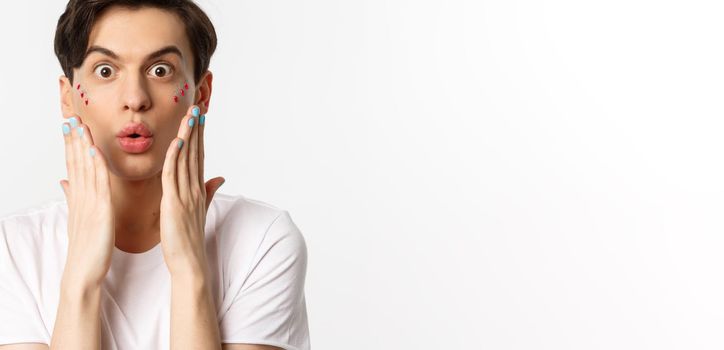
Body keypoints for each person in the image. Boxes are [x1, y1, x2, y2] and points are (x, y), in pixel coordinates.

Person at [0, 1, 310, 349]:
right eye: (105, 71)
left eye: (161, 70)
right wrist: (80, 283)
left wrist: (190, 272)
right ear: (68, 97)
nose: (135, 98)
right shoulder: (14, 250)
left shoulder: (260, 241)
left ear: (202, 93)